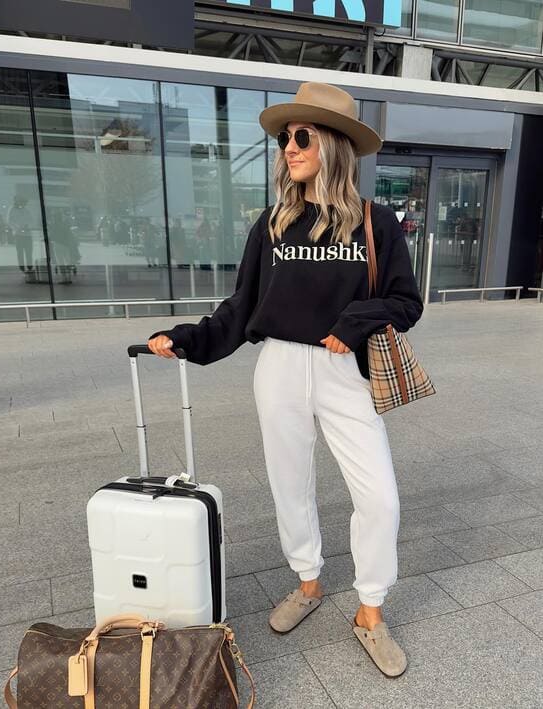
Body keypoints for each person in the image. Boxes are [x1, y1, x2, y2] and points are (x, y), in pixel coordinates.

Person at [147, 82, 423, 677]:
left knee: (379, 496)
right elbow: (241, 307)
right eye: (282, 139)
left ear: (334, 145)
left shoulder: (375, 224)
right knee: (289, 486)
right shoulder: (271, 224)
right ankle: (308, 582)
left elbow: (406, 302)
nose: (287, 149)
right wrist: (188, 339)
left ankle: (370, 609)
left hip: (345, 371)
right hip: (278, 366)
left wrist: (353, 322)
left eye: (301, 137)